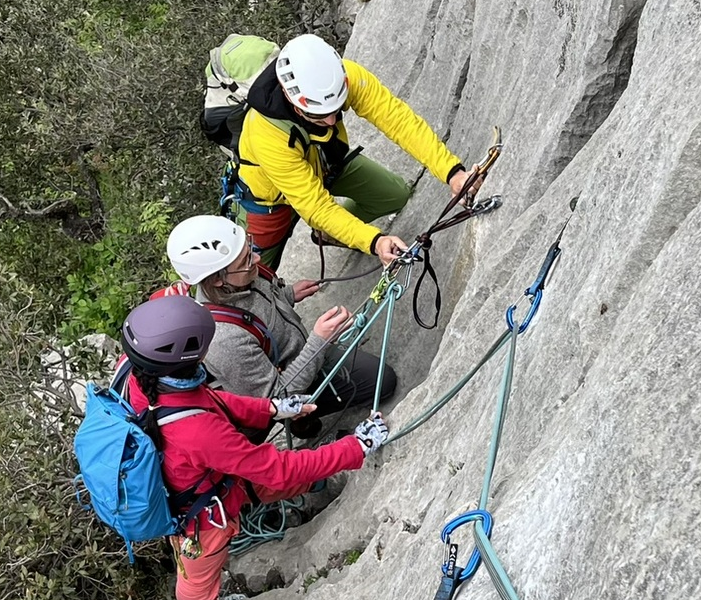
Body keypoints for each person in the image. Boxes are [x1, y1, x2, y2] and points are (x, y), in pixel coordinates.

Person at [118, 297, 390, 600]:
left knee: (263, 481)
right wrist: (355, 447)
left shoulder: (145, 377)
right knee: (197, 585)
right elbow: (277, 470)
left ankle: (321, 481)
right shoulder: (198, 433)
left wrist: (271, 408)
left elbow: (208, 400)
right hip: (200, 521)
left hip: (209, 480)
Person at [234, 34, 474, 269]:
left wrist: (452, 172)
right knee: (251, 273)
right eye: (317, 115)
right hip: (270, 199)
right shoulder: (265, 133)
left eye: (336, 109)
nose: (330, 121)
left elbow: (399, 121)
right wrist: (373, 240)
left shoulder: (345, 76)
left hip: (326, 163)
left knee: (394, 194)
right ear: (289, 96)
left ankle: (329, 235)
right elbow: (315, 206)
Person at [165, 215, 398, 439]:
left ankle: (308, 419)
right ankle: (303, 424)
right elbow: (277, 399)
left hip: (300, 356)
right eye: (246, 260)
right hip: (289, 381)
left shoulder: (240, 277)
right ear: (217, 280)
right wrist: (319, 342)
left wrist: (288, 294)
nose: (256, 259)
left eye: (249, 248)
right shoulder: (224, 339)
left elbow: (259, 306)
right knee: (384, 381)